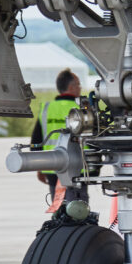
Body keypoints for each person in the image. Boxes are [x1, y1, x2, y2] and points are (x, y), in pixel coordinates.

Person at [30, 68, 89, 204]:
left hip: (52, 168)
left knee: (59, 210)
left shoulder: (47, 109)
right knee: (79, 210)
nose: (80, 88)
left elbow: (37, 141)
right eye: (78, 84)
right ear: (71, 87)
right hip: (79, 170)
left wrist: (39, 167)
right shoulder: (81, 109)